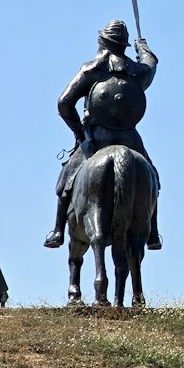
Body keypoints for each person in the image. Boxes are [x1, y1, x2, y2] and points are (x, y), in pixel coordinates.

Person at [44, 19, 162, 250]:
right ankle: (153, 232)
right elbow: (151, 63)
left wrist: (80, 133)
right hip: (129, 138)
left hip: (97, 138)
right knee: (152, 177)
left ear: (102, 41)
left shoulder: (90, 70)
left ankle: (58, 230)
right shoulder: (137, 73)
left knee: (67, 179)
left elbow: (64, 104)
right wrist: (143, 48)